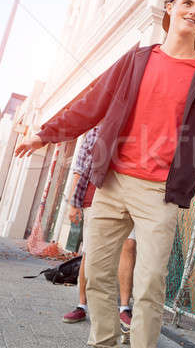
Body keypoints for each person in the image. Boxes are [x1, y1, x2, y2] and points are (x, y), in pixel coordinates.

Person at [15, 0, 195, 348]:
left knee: (150, 281)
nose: (194, 11)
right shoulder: (136, 60)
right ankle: (103, 341)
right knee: (98, 273)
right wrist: (44, 134)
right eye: (187, 2)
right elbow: (92, 103)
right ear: (169, 8)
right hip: (111, 184)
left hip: (160, 192)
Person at [62, 126, 136, 333]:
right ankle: (82, 305)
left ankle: (124, 308)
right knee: (91, 251)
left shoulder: (137, 125)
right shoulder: (95, 130)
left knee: (128, 246)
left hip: (127, 195)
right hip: (95, 194)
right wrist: (73, 203)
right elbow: (79, 169)